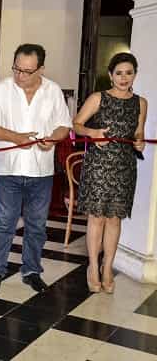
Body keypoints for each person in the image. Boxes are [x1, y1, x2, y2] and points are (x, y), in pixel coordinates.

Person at [0, 43, 72, 293]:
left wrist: (52, 139)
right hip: (8, 170)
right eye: (16, 68)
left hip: (41, 172)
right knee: (4, 223)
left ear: (40, 69)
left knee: (37, 225)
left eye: (27, 71)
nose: (20, 75)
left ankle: (31, 270)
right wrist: (15, 137)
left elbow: (64, 125)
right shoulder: (2, 89)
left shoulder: (53, 91)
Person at [74, 52, 147, 294]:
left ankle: (108, 267)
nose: (124, 78)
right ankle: (93, 267)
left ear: (135, 74)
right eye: (119, 73)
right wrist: (93, 134)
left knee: (115, 219)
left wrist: (139, 142)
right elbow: (76, 125)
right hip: (98, 166)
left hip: (125, 167)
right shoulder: (98, 98)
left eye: (129, 73)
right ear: (110, 75)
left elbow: (138, 132)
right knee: (97, 218)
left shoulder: (140, 103)